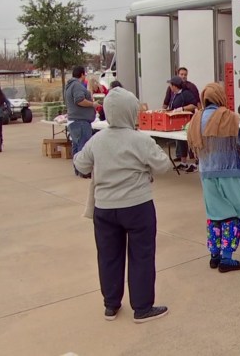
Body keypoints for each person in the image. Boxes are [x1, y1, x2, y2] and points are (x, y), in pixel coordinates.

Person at [73, 87, 173, 323]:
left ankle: (111, 305)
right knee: (141, 255)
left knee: (108, 256)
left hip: (105, 207)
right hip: (137, 205)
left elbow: (81, 165)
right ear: (131, 112)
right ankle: (142, 307)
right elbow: (164, 166)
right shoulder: (140, 139)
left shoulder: (97, 140)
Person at [187, 83, 240, 273]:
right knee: (232, 213)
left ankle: (214, 254)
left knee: (214, 213)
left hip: (206, 172)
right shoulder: (229, 116)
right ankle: (227, 258)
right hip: (229, 171)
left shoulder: (196, 118)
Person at [65, 66, 97, 176]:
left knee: (77, 146)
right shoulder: (77, 86)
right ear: (82, 74)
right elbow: (79, 100)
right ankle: (84, 171)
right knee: (83, 146)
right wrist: (93, 104)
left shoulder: (69, 86)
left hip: (74, 121)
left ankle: (78, 169)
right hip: (81, 121)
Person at [165, 75, 199, 172]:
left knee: (191, 142)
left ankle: (195, 163)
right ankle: (183, 162)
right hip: (178, 123)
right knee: (181, 142)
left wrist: (182, 109)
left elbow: (193, 105)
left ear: (175, 86)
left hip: (189, 123)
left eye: (170, 85)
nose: (170, 87)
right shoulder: (174, 95)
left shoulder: (186, 94)